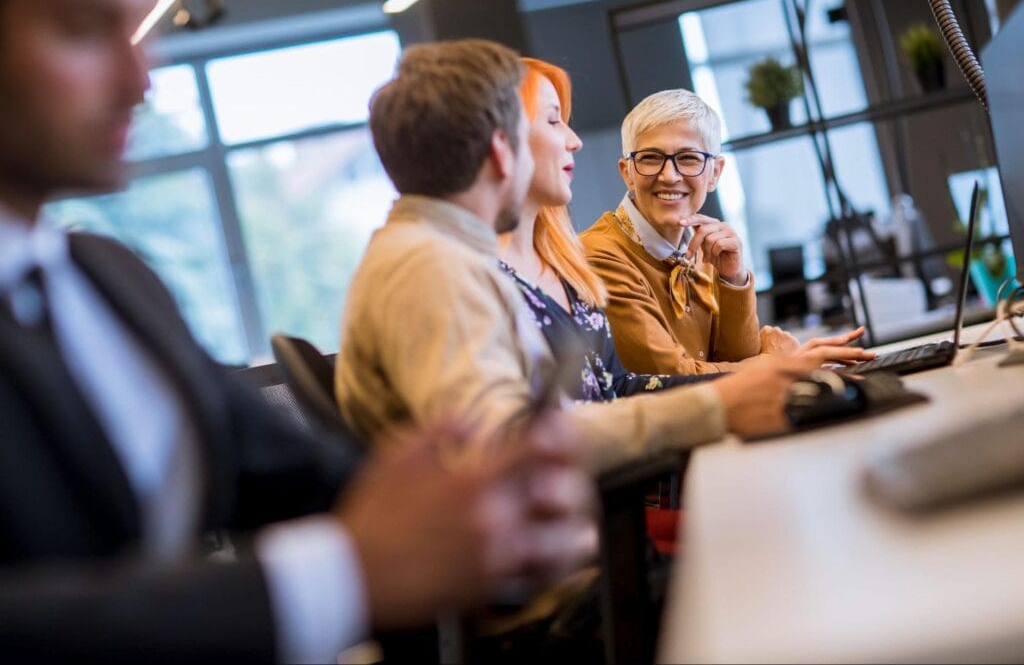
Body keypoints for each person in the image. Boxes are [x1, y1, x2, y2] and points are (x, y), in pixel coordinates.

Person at [0, 0, 596, 660]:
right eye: (82, 29)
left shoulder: (107, 277)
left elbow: (307, 479)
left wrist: (483, 513)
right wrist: (342, 575)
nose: (141, 80)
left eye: (138, 35)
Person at [336, 38, 851, 474]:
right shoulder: (430, 268)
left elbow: (606, 392)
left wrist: (749, 378)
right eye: (553, 123)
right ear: (503, 148)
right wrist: (720, 402)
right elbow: (506, 449)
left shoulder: (443, 256)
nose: (576, 142)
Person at [579, 89, 873, 375]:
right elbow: (673, 377)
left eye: (689, 158)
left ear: (715, 173)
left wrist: (733, 279)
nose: (669, 176)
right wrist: (780, 363)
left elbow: (735, 360)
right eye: (651, 158)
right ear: (627, 171)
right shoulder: (598, 255)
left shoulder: (703, 246)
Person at [499, 57, 723, 402]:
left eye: (689, 159)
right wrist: (767, 369)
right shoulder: (481, 279)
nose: (575, 140)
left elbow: (615, 387)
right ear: (502, 141)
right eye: (553, 120)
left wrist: (736, 284)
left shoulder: (562, 263)